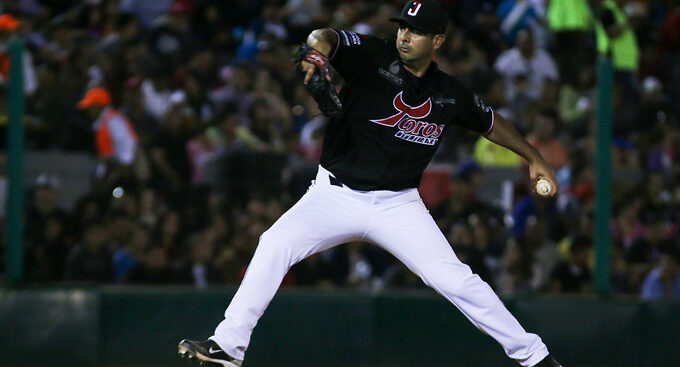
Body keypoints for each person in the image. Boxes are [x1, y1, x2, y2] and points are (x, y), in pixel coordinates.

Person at [178, 1, 562, 367]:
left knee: (458, 281)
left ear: (438, 40)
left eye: (417, 30)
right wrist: (317, 54)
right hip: (333, 195)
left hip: (398, 205)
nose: (406, 36)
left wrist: (534, 157)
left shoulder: (448, 93)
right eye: (404, 27)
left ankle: (534, 357)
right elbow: (323, 35)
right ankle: (228, 346)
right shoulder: (372, 56)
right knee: (273, 244)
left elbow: (491, 122)